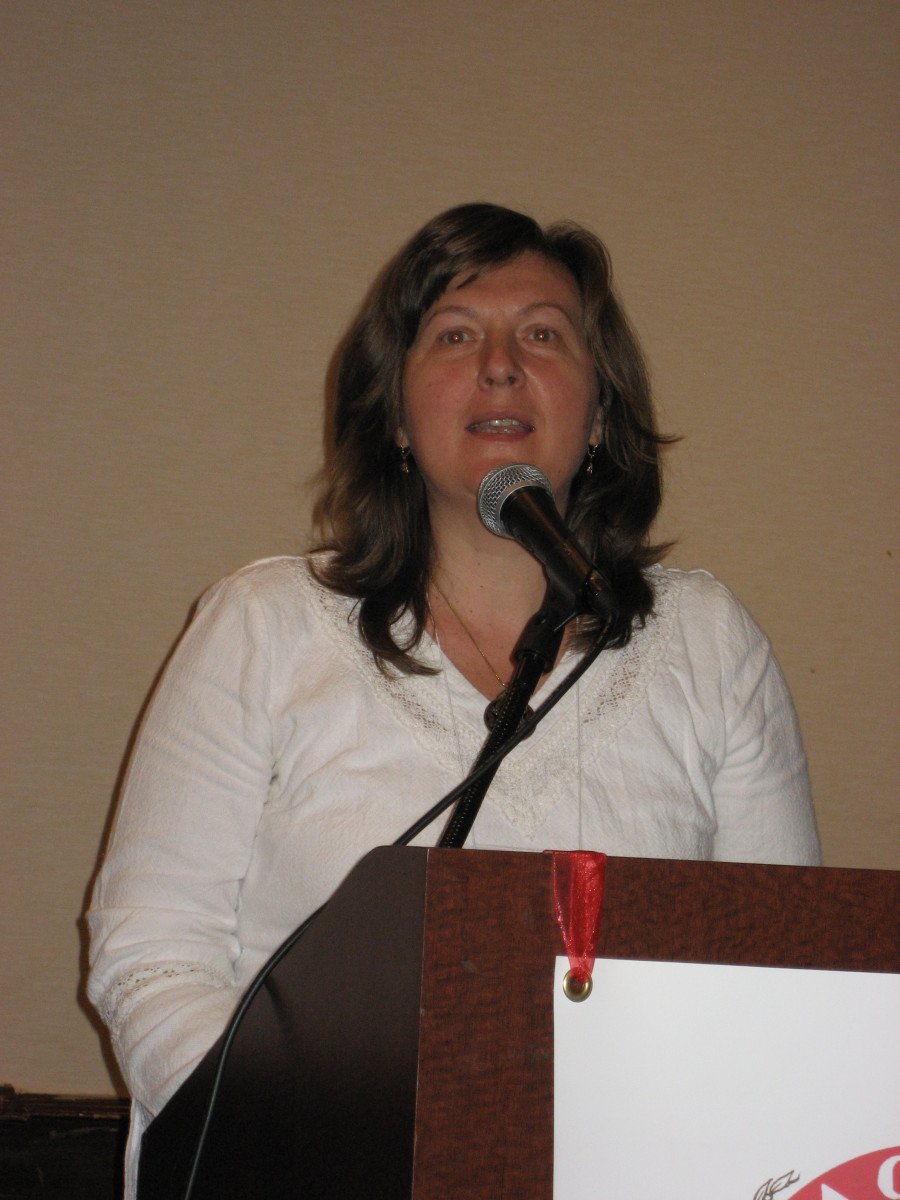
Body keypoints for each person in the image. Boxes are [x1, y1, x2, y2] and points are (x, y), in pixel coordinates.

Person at [87, 202, 821, 1192]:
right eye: (455, 335)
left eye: (545, 335)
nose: (502, 365)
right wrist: (304, 1146)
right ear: (395, 414)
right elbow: (152, 954)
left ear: (601, 415)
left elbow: (782, 981)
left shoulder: (708, 643)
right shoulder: (263, 626)